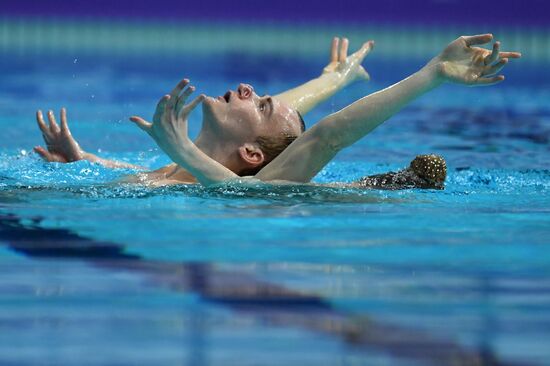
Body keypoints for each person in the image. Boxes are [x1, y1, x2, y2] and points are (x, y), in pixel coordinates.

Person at [125, 33, 519, 189]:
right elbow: (290, 117)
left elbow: (327, 135)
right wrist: (334, 79)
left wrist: (432, 74)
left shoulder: (262, 185)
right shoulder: (174, 172)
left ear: (251, 155)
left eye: (260, 104)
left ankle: (406, 181)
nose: (247, 88)